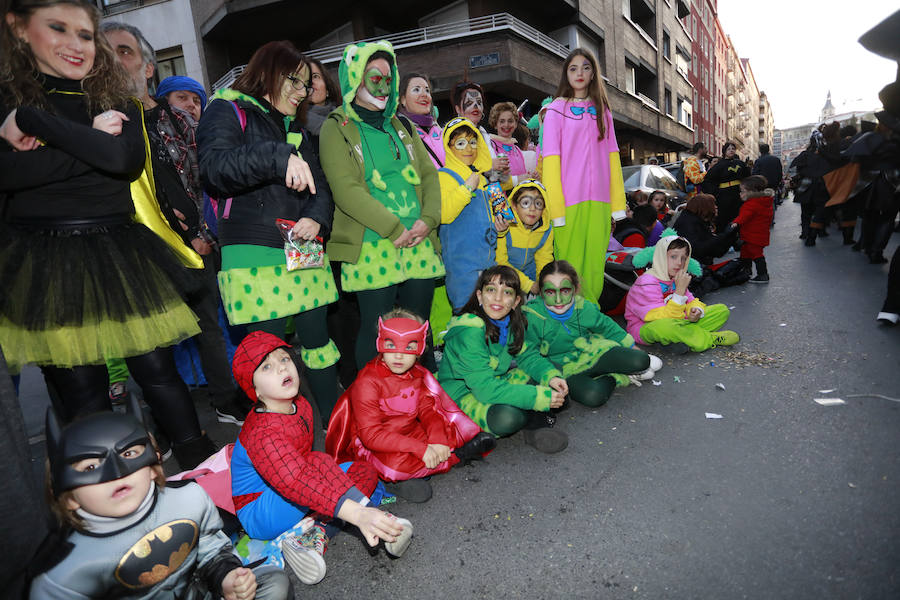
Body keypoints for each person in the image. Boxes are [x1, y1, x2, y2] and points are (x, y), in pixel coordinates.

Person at [0, 0, 215, 469]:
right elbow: (10, 172)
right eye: (58, 28)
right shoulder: (7, 98)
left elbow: (123, 162)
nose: (75, 44)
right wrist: (92, 142)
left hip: (121, 248)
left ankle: (206, 477)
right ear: (20, 30)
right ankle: (107, 497)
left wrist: (38, 126)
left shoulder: (111, 96)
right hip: (47, 257)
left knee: (159, 373)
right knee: (81, 392)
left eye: (83, 33)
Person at [102, 22, 245, 426]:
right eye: (106, 54)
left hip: (194, 246)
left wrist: (201, 233)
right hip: (137, 252)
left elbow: (203, 180)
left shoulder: (179, 120)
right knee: (150, 343)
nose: (115, 61)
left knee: (209, 327)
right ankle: (166, 421)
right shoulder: (100, 124)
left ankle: (224, 399)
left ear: (149, 68)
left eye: (125, 51)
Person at [199, 41, 341, 426]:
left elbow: (320, 187)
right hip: (253, 247)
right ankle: (281, 441)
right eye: (296, 81)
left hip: (302, 244)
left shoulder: (297, 126)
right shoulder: (226, 108)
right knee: (269, 356)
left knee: (318, 342)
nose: (304, 91)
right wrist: (278, 156)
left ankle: (338, 425)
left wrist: (317, 219)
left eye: (307, 85)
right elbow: (213, 169)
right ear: (270, 73)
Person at [31, 401, 291, 599]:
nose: (117, 472)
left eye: (130, 453)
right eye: (90, 467)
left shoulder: (189, 499)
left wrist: (228, 578)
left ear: (154, 464)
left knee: (274, 584)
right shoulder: (63, 572)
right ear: (68, 495)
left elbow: (211, 550)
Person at [229, 331, 414, 585]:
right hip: (260, 510)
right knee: (318, 464)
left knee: (363, 472)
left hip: (296, 482)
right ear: (255, 389)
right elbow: (296, 479)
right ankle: (369, 518)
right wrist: (359, 513)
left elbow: (308, 467)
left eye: (284, 359)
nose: (282, 368)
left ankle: (317, 533)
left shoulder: (299, 403)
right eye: (267, 367)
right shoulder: (262, 433)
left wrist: (338, 490)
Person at [319, 41, 444, 371]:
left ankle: (425, 405)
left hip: (418, 240)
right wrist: (393, 228)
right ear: (355, 78)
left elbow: (430, 176)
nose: (384, 87)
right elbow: (345, 189)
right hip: (372, 244)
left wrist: (428, 220)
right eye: (375, 78)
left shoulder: (402, 125)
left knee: (419, 330)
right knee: (378, 334)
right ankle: (372, 411)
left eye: (389, 79)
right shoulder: (335, 127)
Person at [325, 309, 496, 503]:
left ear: (420, 349)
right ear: (380, 343)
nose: (398, 356)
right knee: (394, 466)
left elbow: (428, 410)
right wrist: (420, 448)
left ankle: (437, 461)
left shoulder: (417, 373)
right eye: (391, 345)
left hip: (409, 431)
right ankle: (443, 462)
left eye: (408, 347)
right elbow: (371, 435)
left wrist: (437, 439)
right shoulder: (368, 382)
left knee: (447, 429)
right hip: (376, 443)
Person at [436, 265, 569, 453]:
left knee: (550, 370)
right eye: (491, 290)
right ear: (480, 296)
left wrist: (552, 377)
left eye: (506, 292)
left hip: (493, 383)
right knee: (509, 418)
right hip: (461, 397)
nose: (498, 298)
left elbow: (528, 357)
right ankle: (535, 419)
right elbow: (485, 390)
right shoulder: (469, 331)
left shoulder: (509, 322)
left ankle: (533, 426)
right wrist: (538, 397)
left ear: (515, 302)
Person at [541, 48, 627, 303]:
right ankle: (566, 319)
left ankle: (589, 318)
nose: (579, 73)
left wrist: (617, 205)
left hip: (599, 202)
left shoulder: (604, 112)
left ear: (593, 74)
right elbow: (551, 160)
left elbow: (613, 158)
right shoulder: (556, 110)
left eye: (585, 67)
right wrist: (554, 208)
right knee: (569, 264)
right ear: (566, 74)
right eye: (573, 68)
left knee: (594, 265)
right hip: (568, 202)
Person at [523, 261, 659, 408]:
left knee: (641, 361)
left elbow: (607, 326)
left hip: (590, 352)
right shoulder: (532, 317)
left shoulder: (584, 307)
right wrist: (550, 376)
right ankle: (616, 376)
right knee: (593, 396)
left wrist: (632, 346)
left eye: (565, 291)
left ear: (575, 289)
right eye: (550, 292)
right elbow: (529, 354)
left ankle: (615, 368)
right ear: (541, 291)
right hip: (562, 368)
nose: (558, 300)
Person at [624, 234, 739, 353]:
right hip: (647, 327)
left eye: (684, 258)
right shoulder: (646, 282)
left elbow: (691, 299)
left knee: (721, 310)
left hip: (677, 320)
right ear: (661, 257)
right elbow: (658, 317)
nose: (679, 263)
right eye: (673, 257)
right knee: (665, 327)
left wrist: (696, 311)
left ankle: (682, 337)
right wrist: (679, 292)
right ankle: (710, 338)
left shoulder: (674, 277)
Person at [438, 117, 499, 311]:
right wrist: (466, 189)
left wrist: (501, 228)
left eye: (473, 142)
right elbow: (444, 214)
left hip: (489, 265)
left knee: (491, 317)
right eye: (461, 143)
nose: (469, 148)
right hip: (462, 268)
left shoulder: (482, 180)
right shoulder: (443, 176)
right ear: (449, 147)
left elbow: (489, 223)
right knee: (467, 316)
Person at [495, 180, 555, 295]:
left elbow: (544, 259)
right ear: (514, 205)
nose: (532, 208)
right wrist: (529, 285)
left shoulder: (546, 230)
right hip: (504, 278)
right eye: (526, 203)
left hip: (530, 278)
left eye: (538, 204)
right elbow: (500, 262)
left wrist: (543, 283)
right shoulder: (504, 226)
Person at [673, 194, 738, 265]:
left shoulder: (699, 221)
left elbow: (717, 252)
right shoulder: (688, 223)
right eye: (713, 205)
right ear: (703, 206)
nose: (716, 207)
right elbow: (699, 249)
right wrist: (725, 235)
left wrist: (730, 235)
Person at [397, 72, 444, 167]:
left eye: (427, 91)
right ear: (403, 99)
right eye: (416, 90)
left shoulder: (439, 130)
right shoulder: (399, 133)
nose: (424, 95)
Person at [733, 175, 774, 283]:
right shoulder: (764, 201)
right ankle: (746, 271)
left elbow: (743, 217)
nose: (740, 194)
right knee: (746, 253)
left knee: (756, 254)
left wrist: (735, 223)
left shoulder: (751, 205)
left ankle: (762, 274)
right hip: (758, 234)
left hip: (752, 236)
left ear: (752, 192)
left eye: (742, 191)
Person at [704, 141, 750, 233]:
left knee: (739, 215)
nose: (731, 150)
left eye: (733, 149)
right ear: (724, 151)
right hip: (724, 196)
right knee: (725, 218)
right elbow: (708, 179)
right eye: (728, 149)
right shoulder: (719, 165)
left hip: (738, 194)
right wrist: (716, 193)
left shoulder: (740, 164)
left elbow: (747, 177)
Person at [488, 101, 528, 187]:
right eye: (502, 121)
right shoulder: (490, 146)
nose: (506, 125)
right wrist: (518, 179)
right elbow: (490, 181)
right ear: (495, 124)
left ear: (516, 124)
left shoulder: (517, 150)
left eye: (510, 121)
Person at [303, 55, 340, 144]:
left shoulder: (345, 116)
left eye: (315, 76)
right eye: (305, 78)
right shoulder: (297, 127)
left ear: (327, 87)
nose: (311, 81)